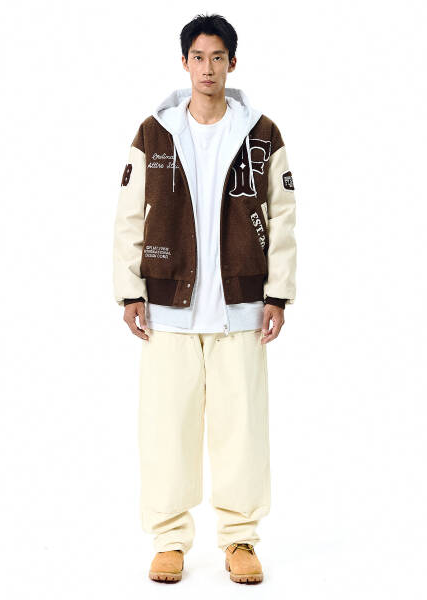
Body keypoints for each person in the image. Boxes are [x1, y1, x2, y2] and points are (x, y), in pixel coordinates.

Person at [112, 13, 297, 585]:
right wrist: (129, 289)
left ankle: (240, 539)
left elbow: (283, 218)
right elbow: (129, 216)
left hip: (240, 307)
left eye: (218, 57)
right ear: (184, 63)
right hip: (168, 309)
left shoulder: (262, 133)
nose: (208, 68)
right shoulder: (154, 133)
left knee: (242, 431)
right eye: (198, 57)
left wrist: (277, 295)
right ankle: (169, 539)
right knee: (167, 430)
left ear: (232, 63)